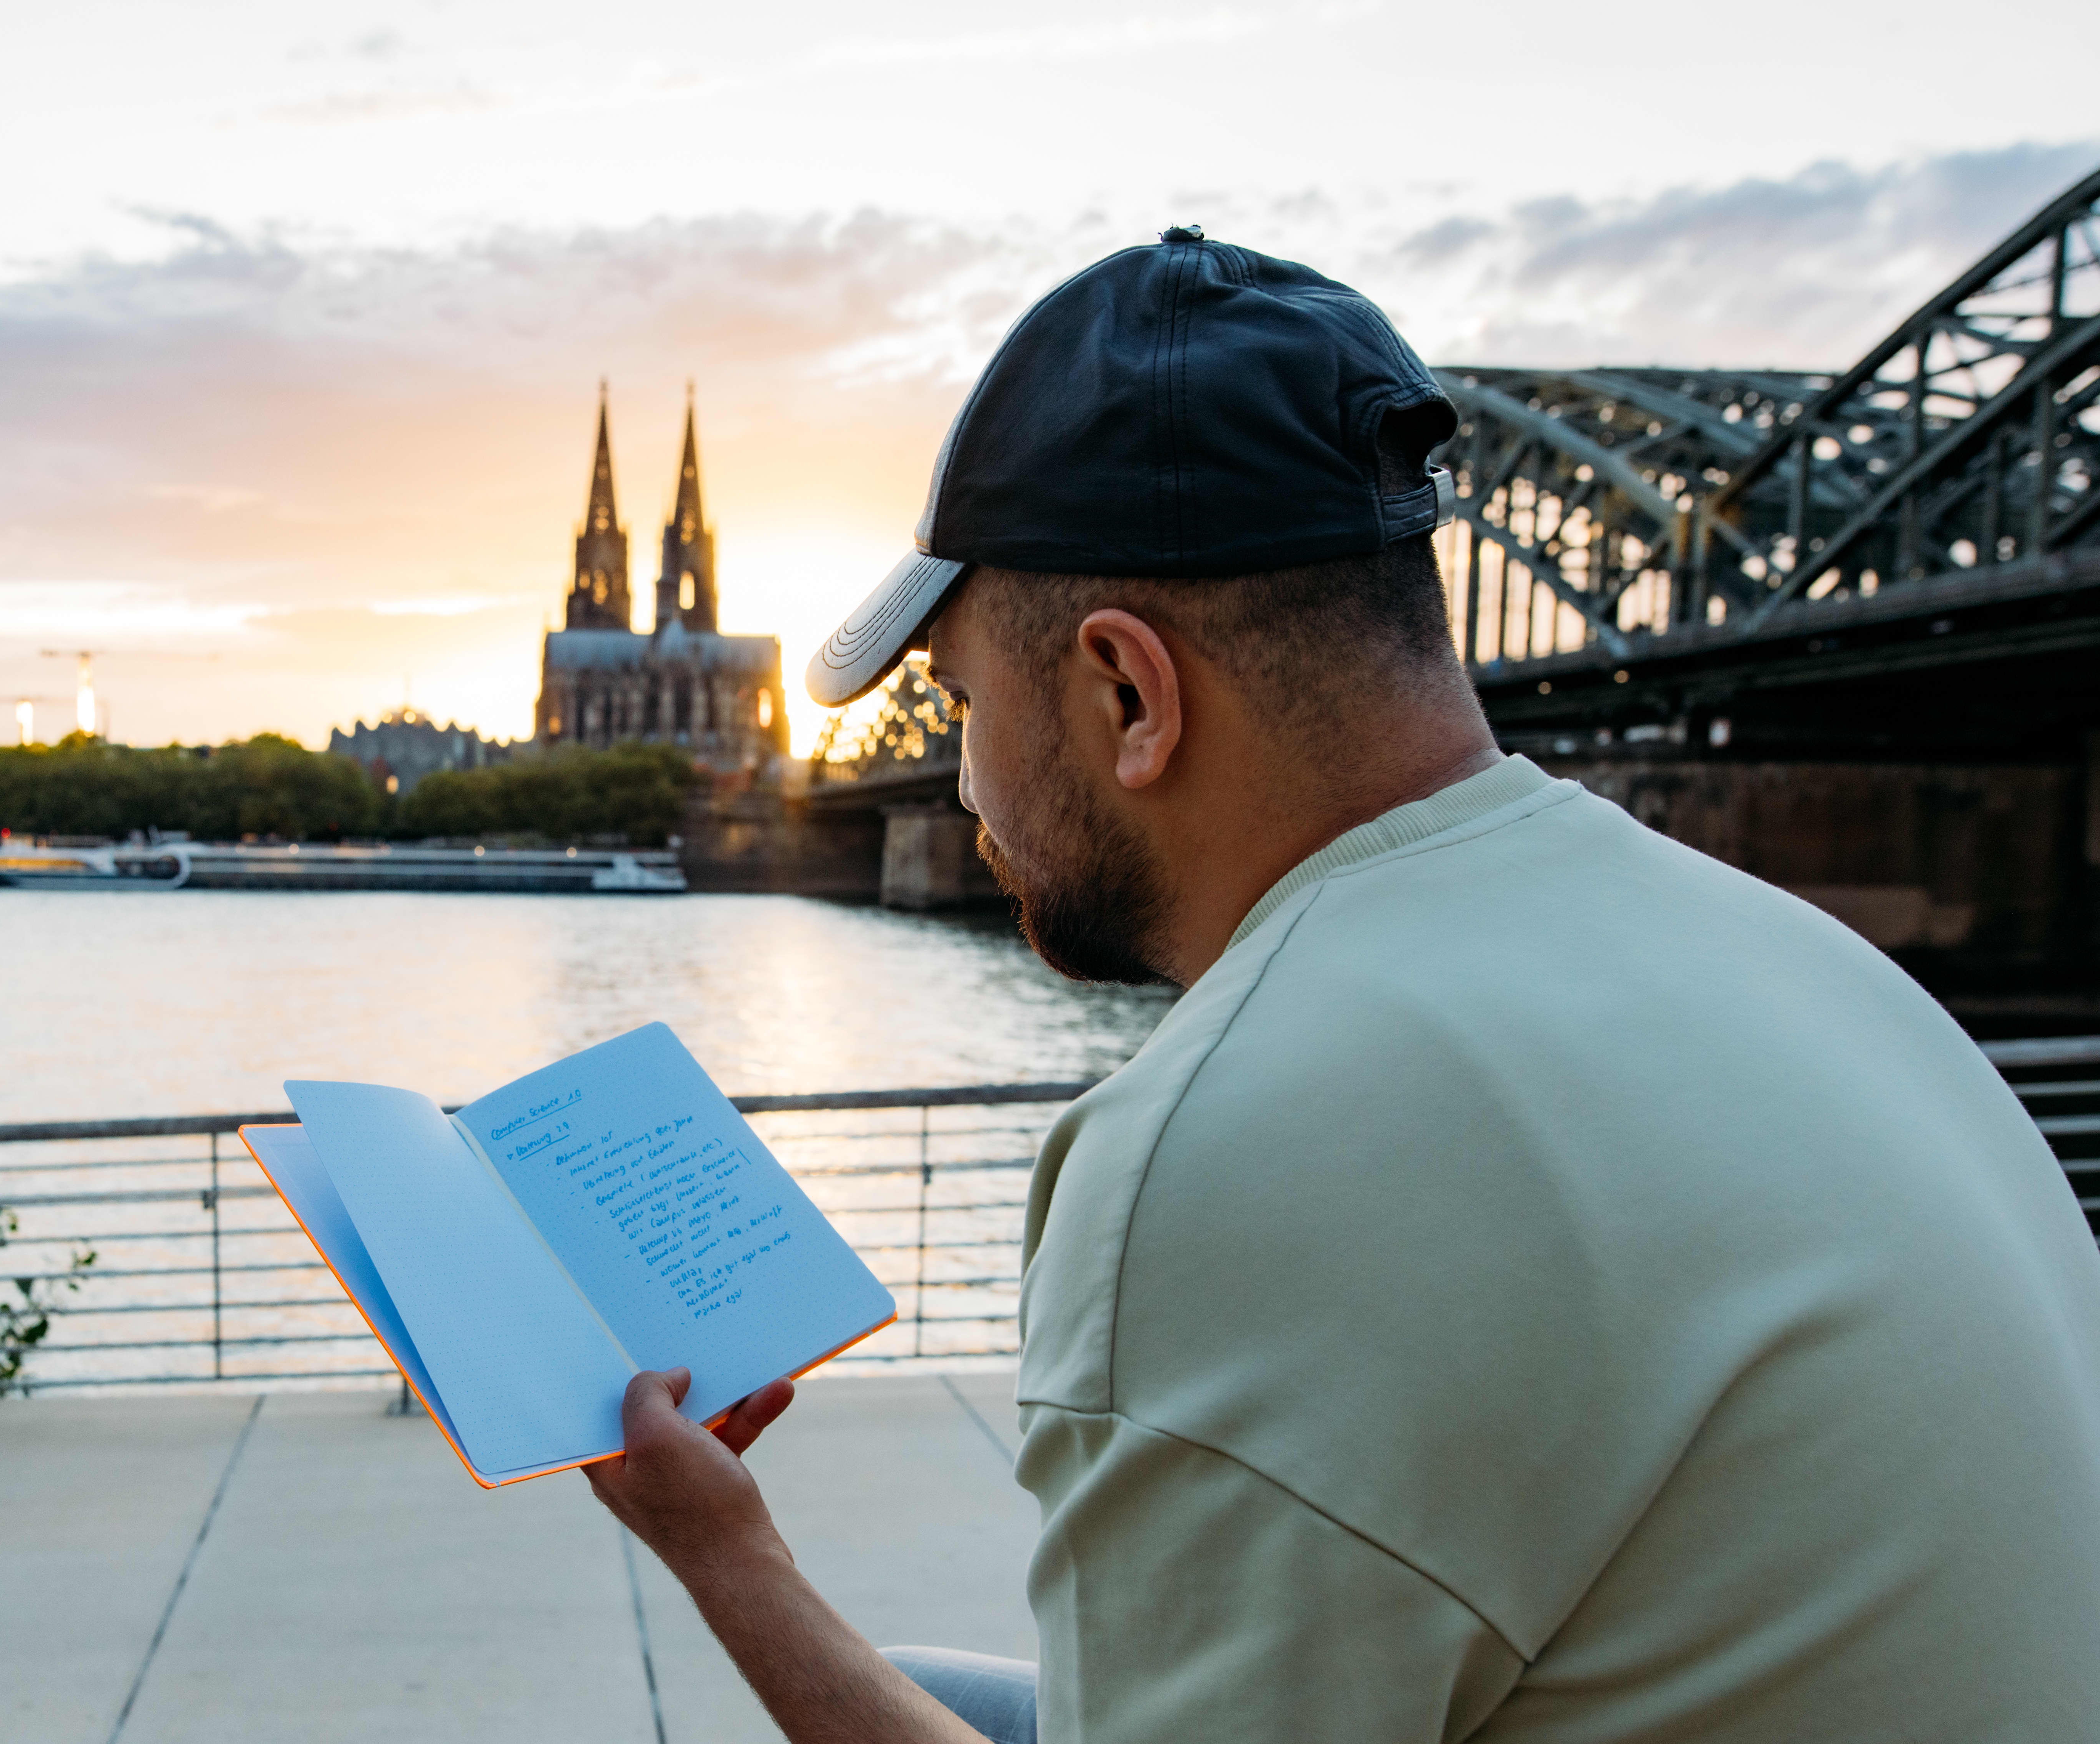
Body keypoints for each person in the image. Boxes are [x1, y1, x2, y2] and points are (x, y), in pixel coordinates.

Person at [587, 227, 2100, 1742]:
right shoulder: (1805, 962)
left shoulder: (1233, 1140)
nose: (964, 776)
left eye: (965, 702)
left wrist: (725, 1559)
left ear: (1129, 692)